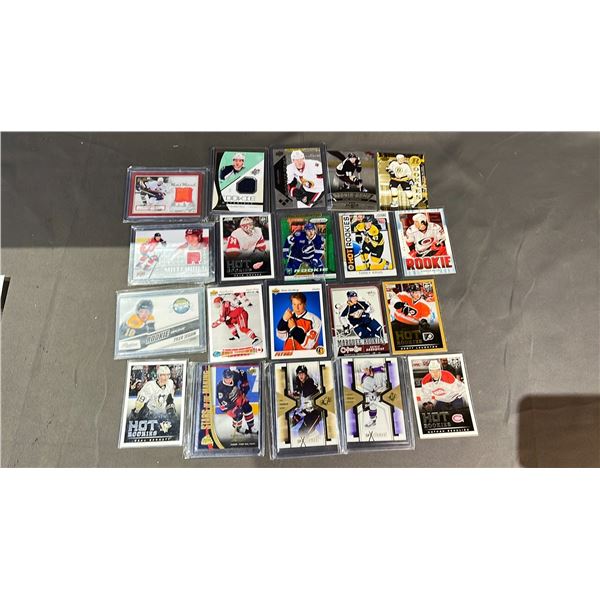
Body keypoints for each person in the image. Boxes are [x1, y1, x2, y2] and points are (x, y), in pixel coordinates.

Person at [216, 367, 256, 434]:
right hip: (227, 405)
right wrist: (235, 407)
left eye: (230, 378)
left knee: (247, 407)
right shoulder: (220, 388)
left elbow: (242, 373)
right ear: (223, 378)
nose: (229, 380)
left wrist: (245, 383)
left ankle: (251, 427)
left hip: (237, 397)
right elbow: (223, 403)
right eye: (226, 379)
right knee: (238, 414)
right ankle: (238, 428)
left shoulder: (235, 375)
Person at [290, 365, 322, 435]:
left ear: (306, 374)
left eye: (302, 374)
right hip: (309, 412)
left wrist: (298, 415)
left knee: (303, 432)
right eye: (299, 374)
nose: (300, 376)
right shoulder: (302, 383)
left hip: (315, 414)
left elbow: (307, 405)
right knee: (301, 431)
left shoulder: (309, 383)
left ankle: (315, 435)